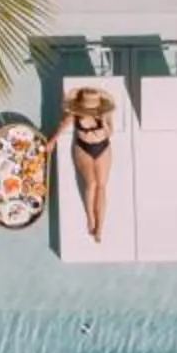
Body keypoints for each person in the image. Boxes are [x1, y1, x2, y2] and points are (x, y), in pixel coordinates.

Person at [64, 87, 116, 242]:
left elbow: (110, 133)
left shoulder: (104, 113)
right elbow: (64, 123)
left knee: (101, 185)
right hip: (83, 148)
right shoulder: (76, 113)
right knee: (91, 184)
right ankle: (90, 218)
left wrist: (102, 120)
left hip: (102, 147)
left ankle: (100, 227)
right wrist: (52, 141)